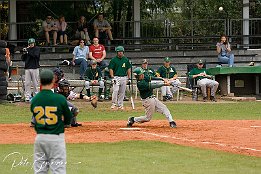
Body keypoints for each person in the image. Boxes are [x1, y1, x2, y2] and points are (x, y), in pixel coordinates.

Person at [31, 69, 72, 173]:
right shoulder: (59, 99)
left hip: (40, 138)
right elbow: (68, 118)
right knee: (58, 170)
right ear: (53, 81)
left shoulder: (35, 100)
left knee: (40, 170)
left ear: (40, 81)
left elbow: (35, 118)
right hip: (56, 137)